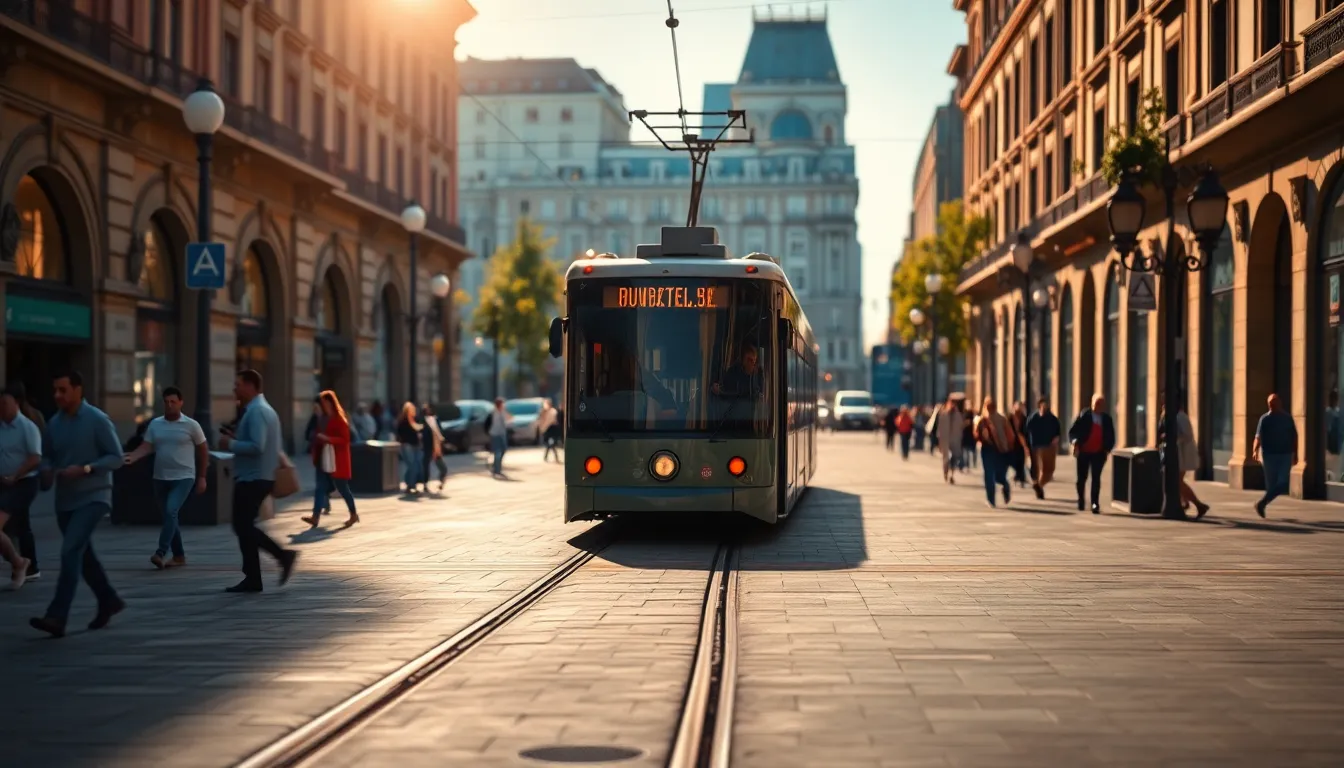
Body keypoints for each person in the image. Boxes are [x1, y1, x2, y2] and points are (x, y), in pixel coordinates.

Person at [28, 372, 125, 638]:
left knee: (70, 551)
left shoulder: (96, 420)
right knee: (84, 555)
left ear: (77, 390)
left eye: (63, 390)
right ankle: (109, 599)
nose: (57, 395)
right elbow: (46, 456)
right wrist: (46, 470)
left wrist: (86, 468)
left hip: (94, 497)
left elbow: (116, 457)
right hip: (65, 501)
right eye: (55, 390)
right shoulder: (54, 424)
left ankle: (57, 616)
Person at [218, 369, 298, 593]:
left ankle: (282, 556)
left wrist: (230, 444)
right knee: (243, 526)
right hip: (255, 476)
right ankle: (253, 577)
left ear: (251, 386)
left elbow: (257, 446)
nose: (235, 388)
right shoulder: (258, 410)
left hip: (254, 478)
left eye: (238, 384)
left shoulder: (257, 411)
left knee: (242, 525)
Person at [122, 386, 209, 569]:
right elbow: (146, 447)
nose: (169, 405)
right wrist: (132, 456)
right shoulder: (156, 424)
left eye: (173, 402)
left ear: (181, 403)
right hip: (160, 478)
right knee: (170, 516)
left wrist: (202, 477)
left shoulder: (191, 425)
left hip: (184, 477)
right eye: (166, 402)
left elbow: (203, 450)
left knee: (170, 511)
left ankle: (161, 552)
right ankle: (179, 556)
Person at [0, 387, 41, 589]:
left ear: (16, 403)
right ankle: (27, 564)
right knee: (21, 526)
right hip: (3, 482)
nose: (1, 408)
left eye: (4, 404)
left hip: (23, 482)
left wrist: (15, 475)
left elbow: (35, 457)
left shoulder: (27, 427)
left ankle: (20, 562)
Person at [304, 389, 359, 528]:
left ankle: (353, 514)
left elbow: (345, 439)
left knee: (343, 488)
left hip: (337, 459)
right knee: (319, 487)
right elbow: (312, 434)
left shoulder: (339, 419)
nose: (323, 405)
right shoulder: (320, 418)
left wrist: (329, 439)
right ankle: (315, 516)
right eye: (321, 403)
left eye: (325, 403)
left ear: (331, 403)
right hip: (323, 457)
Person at [1157, 397, 1209, 518]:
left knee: (1177, 481)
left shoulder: (1180, 417)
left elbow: (1186, 435)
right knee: (1176, 481)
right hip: (1176, 453)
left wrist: (1170, 437)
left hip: (1182, 453)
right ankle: (1185, 502)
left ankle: (1198, 504)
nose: (1163, 405)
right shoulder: (1169, 415)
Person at [1068, 394, 1116, 515]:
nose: (1097, 406)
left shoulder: (1106, 419)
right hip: (1084, 452)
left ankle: (1095, 503)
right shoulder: (1084, 415)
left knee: (1096, 478)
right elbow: (1073, 431)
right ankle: (1081, 500)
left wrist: (1107, 449)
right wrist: (1075, 442)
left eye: (1100, 404)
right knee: (1081, 479)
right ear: (1092, 403)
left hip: (1098, 453)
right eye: (1096, 403)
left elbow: (1111, 436)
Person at [1253, 393, 1298, 519]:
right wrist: (1254, 450)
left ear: (1279, 404)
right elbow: (1258, 436)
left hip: (1285, 454)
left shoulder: (1287, 419)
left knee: (1283, 483)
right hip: (1269, 455)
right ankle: (1262, 504)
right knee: (1272, 485)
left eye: (1274, 404)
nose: (1272, 406)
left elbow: (1294, 437)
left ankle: (1261, 503)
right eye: (1270, 404)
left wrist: (1296, 454)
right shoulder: (1265, 419)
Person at [974, 396, 1014, 507]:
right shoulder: (1001, 419)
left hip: (990, 449)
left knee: (990, 474)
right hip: (1000, 450)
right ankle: (1001, 489)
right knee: (996, 475)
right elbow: (1011, 436)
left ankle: (992, 499)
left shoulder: (983, 420)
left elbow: (976, 435)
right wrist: (1008, 447)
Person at [1024, 398, 1061, 499]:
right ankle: (1039, 487)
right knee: (1041, 469)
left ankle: (1039, 485)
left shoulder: (1052, 418)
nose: (1045, 407)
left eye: (1046, 405)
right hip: (1037, 447)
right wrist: (1027, 446)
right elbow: (1026, 431)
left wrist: (1056, 439)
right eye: (1043, 405)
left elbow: (1058, 431)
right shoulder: (1033, 418)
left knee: (1050, 471)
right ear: (1039, 406)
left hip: (1049, 446)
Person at [420, 403, 449, 493]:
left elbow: (440, 431)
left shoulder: (436, 419)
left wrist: (441, 440)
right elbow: (423, 434)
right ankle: (425, 484)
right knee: (426, 466)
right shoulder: (422, 421)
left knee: (443, 468)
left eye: (428, 409)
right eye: (426, 410)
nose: (428, 411)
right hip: (428, 447)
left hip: (436, 447)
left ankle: (441, 481)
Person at [395, 402, 423, 492]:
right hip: (407, 445)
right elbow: (400, 432)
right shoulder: (403, 420)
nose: (413, 411)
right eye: (411, 409)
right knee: (412, 465)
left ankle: (409, 483)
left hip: (416, 445)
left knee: (416, 465)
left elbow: (417, 428)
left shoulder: (415, 419)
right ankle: (411, 485)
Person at [936, 398, 965, 484]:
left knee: (954, 459)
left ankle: (952, 475)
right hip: (945, 440)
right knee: (946, 459)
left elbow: (960, 428)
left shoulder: (958, 415)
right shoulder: (943, 415)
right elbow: (940, 429)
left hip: (955, 440)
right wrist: (939, 441)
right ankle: (945, 472)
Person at [484, 397, 511, 476]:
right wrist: (488, 432)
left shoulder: (503, 412)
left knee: (503, 450)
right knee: (497, 452)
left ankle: (495, 465)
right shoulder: (493, 413)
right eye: (502, 404)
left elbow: (510, 418)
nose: (503, 405)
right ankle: (497, 470)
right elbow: (487, 423)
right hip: (494, 434)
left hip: (502, 434)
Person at [539, 399, 562, 463]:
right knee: (549, 444)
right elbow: (541, 421)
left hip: (552, 429)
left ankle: (549, 457)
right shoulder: (543, 412)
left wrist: (543, 428)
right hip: (548, 430)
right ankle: (548, 457)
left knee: (551, 444)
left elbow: (550, 421)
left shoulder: (553, 411)